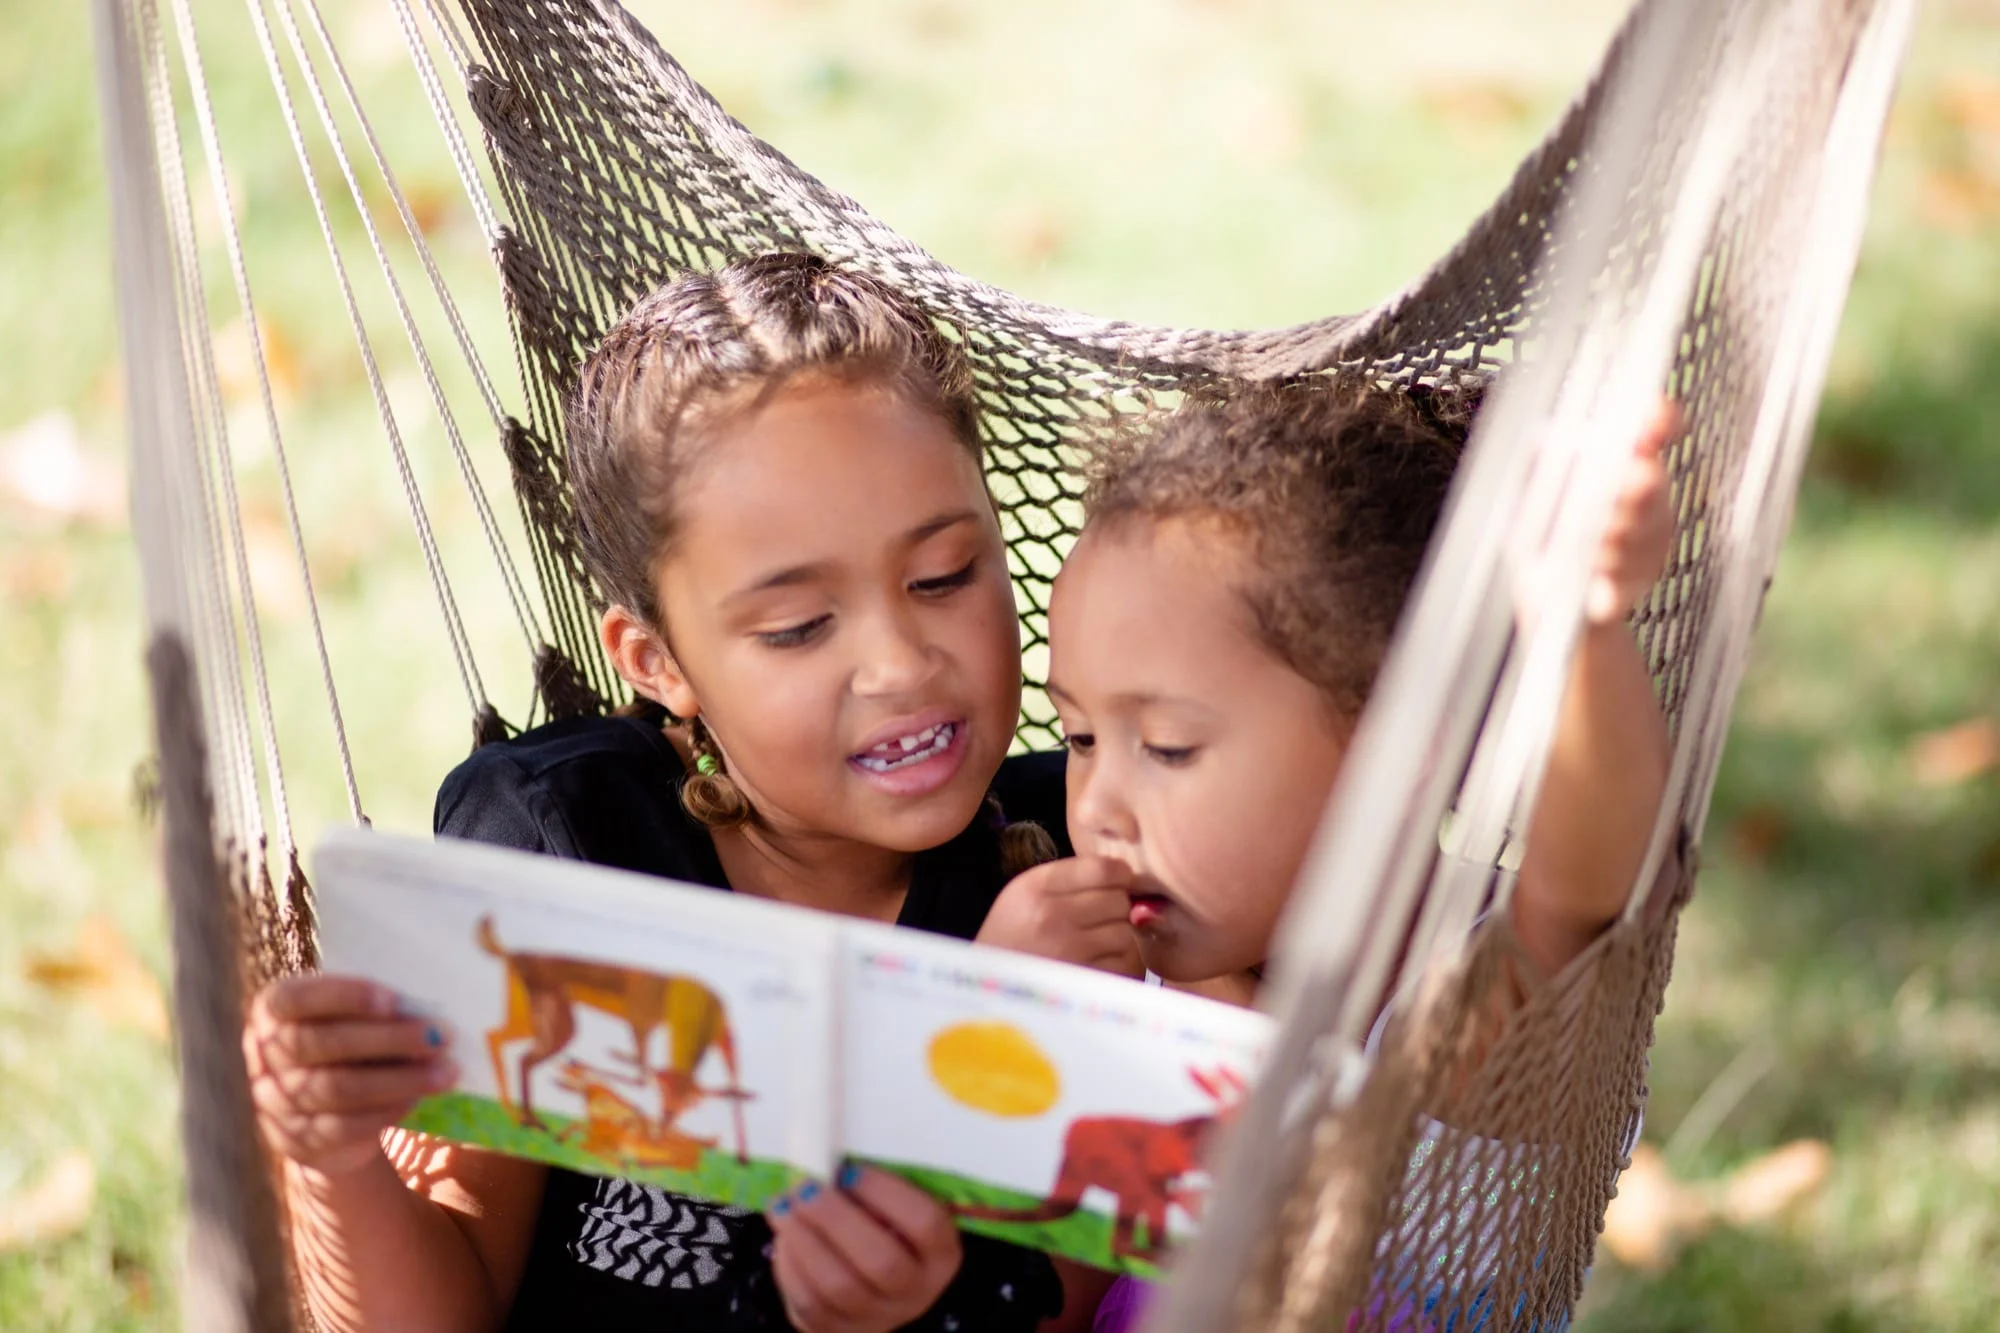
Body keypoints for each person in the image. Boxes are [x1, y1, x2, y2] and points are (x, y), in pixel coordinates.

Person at [242, 253, 1124, 1333]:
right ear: (656, 662)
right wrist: (331, 1158)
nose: (900, 663)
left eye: (942, 576)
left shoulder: (1062, 886)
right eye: (798, 627)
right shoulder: (563, 853)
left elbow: (1067, 1308)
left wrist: (991, 1046)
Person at [989, 385, 1678, 1329]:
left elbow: (1590, 881)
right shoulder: (1116, 987)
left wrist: (1587, 628)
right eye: (1079, 738)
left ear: (1402, 750)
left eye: (1169, 747)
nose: (1098, 807)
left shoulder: (1455, 1009)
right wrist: (1003, 1045)